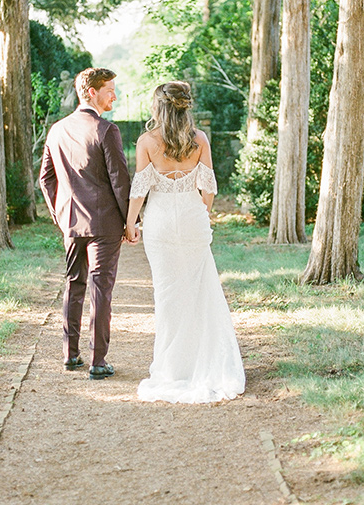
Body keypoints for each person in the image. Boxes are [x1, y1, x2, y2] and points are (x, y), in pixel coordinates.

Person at [125, 81, 245, 403]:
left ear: (159, 107)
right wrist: (201, 214)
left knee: (167, 294)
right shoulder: (200, 139)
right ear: (185, 106)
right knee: (199, 290)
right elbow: (209, 188)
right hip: (192, 219)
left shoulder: (147, 141)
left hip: (160, 222)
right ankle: (203, 364)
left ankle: (172, 369)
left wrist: (130, 223)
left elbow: (140, 189)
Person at [39, 67, 137, 380]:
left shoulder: (56, 130)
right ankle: (97, 361)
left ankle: (70, 355)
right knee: (101, 289)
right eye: (110, 89)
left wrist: (60, 215)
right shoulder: (107, 130)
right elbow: (120, 182)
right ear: (91, 91)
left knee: (74, 285)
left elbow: (46, 179)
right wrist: (130, 222)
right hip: (105, 224)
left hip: (71, 223)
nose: (114, 95)